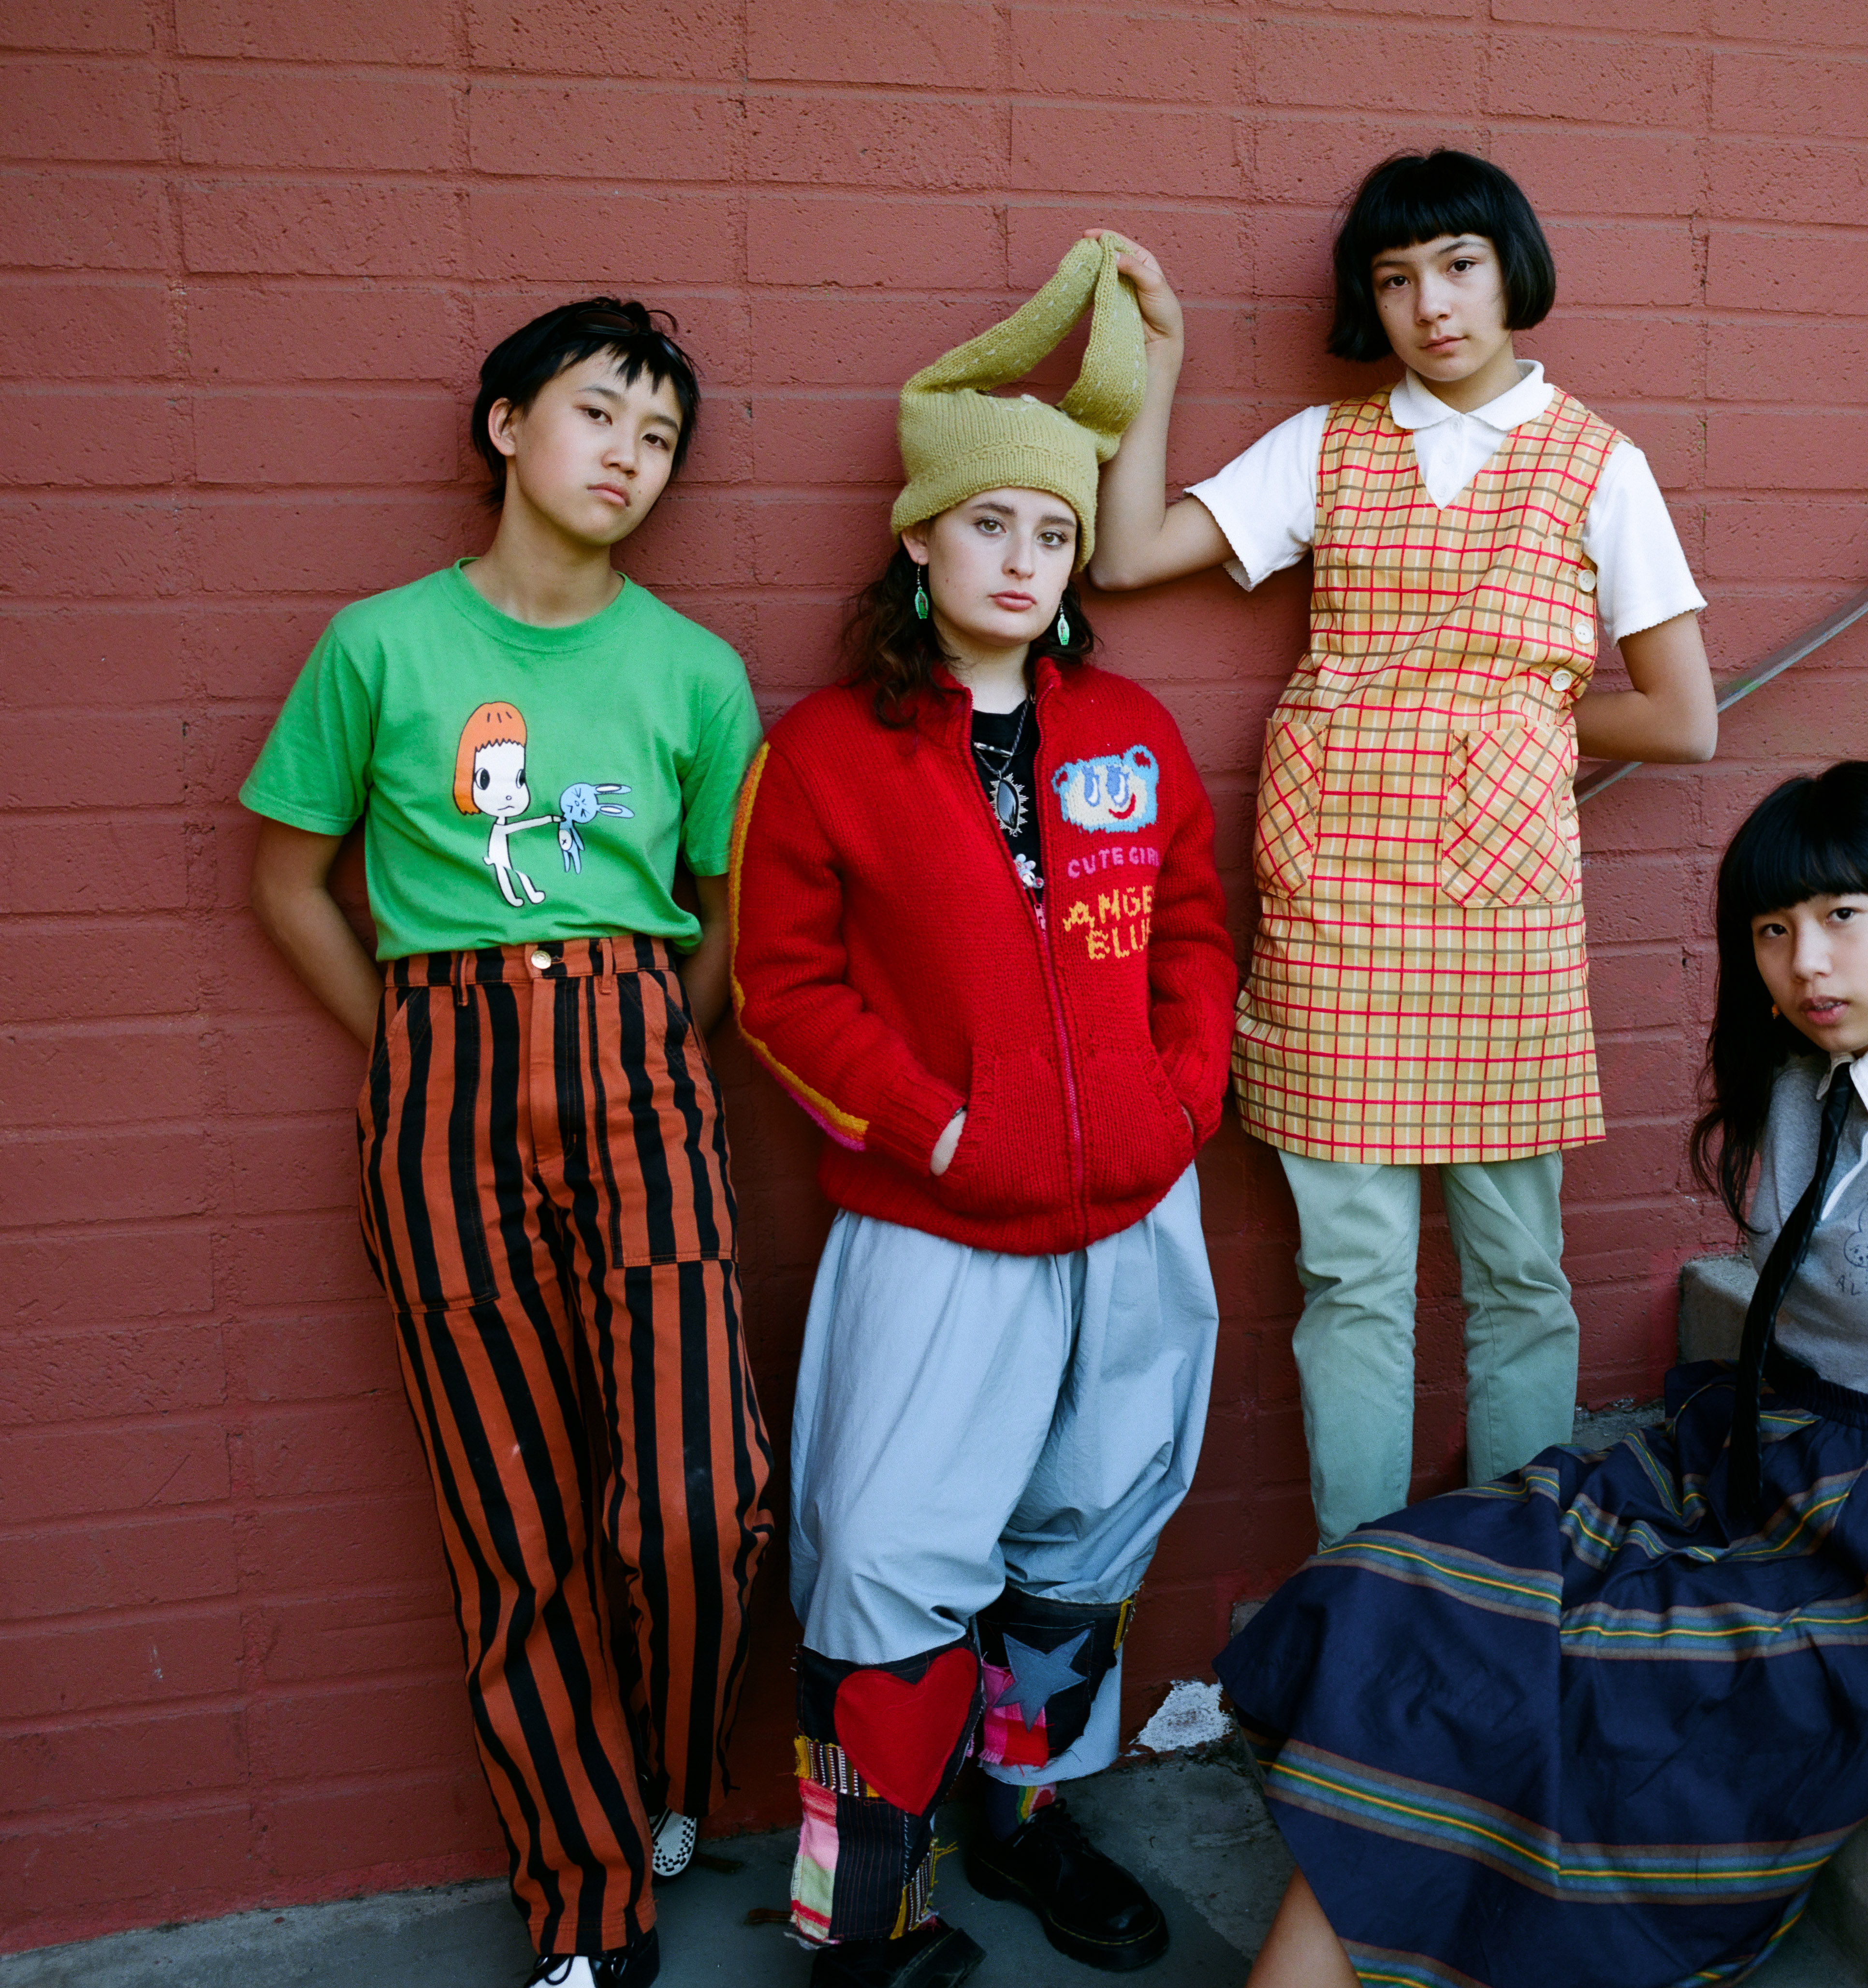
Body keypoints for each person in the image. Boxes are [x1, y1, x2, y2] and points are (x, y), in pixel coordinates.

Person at [1213, 762, 1868, 1988]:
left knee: (1588, 1685)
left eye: (1842, 916)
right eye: (1772, 929)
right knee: (1405, 1582)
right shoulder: (1805, 1069)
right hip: (1759, 1458)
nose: (1806, 961)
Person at [241, 301, 775, 1988]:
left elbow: (732, 911)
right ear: (505, 429)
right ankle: (587, 1906)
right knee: (511, 1524)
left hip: (641, 1061)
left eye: (660, 435)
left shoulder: (693, 669)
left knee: (699, 1504)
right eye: (599, 413)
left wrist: (639, 1037)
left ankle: (664, 1775)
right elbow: (285, 881)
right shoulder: (380, 646)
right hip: (440, 1081)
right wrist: (420, 1044)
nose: (628, 454)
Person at [727, 235, 1238, 1988]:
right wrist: (939, 1131)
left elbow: (1191, 930)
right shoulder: (825, 752)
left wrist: (1181, 1104)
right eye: (992, 525)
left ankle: (1023, 1813)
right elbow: (780, 992)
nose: (1024, 559)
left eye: (1056, 532)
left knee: (1090, 1529)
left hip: (1131, 1219)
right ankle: (869, 1911)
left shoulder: (1135, 730)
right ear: (922, 539)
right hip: (938, 1226)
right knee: (884, 1558)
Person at [1087, 151, 1720, 1547]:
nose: (1428, 304)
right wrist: (1160, 360)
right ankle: (1360, 1586)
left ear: (1513, 271)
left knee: (1517, 1273)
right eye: (1393, 278)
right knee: (1354, 1276)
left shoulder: (1599, 466)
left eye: (1457, 264)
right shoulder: (1327, 445)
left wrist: (1519, 717)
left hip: (1503, 919)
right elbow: (1124, 556)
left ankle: (1512, 1579)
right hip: (1335, 906)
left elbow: (1683, 718)